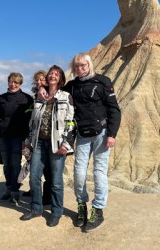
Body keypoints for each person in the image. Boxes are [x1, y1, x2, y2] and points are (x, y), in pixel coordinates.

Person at [64, 53, 121, 231]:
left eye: (83, 65)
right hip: (82, 134)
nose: (80, 69)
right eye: (76, 66)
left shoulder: (102, 81)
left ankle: (98, 209)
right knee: (79, 174)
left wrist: (112, 134)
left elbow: (114, 109)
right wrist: (41, 87)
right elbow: (56, 93)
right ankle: (81, 205)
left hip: (102, 134)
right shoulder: (71, 86)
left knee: (99, 172)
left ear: (89, 65)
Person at [20, 65, 75, 227]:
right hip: (39, 143)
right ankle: (36, 208)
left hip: (57, 144)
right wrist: (29, 141)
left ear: (60, 79)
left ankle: (57, 212)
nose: (52, 75)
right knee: (34, 177)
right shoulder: (40, 96)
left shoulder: (66, 96)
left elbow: (71, 122)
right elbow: (33, 122)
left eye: (56, 74)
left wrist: (67, 143)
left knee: (56, 181)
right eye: (50, 73)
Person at [0, 72, 33, 205]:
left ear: (20, 84)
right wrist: (0, 129)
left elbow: (28, 120)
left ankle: (15, 191)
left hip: (18, 137)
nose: (13, 84)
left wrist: (25, 139)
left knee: (15, 164)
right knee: (6, 165)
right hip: (5, 136)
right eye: (11, 81)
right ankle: (8, 188)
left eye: (16, 82)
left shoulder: (27, 99)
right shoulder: (2, 98)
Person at [22, 70, 52, 205]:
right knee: (32, 165)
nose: (39, 82)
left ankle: (47, 196)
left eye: (42, 79)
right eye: (37, 80)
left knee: (47, 168)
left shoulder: (49, 94)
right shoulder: (35, 96)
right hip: (33, 135)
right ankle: (35, 191)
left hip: (46, 136)